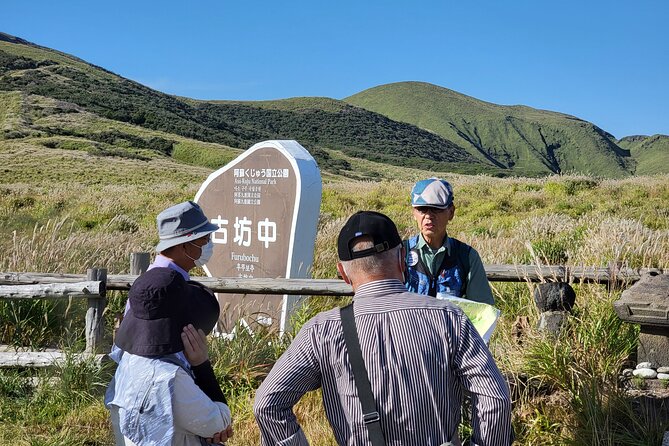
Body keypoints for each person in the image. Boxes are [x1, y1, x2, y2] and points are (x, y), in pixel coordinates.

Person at [254, 211, 512, 445]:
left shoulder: (321, 331)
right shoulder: (448, 318)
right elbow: (495, 398)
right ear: (403, 258)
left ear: (343, 274)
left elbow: (268, 405)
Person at [106, 201, 232, 445]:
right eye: (204, 239)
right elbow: (215, 420)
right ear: (186, 244)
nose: (208, 245)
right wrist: (201, 367)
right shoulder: (166, 289)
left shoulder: (147, 285)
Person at [405, 178, 494, 304]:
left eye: (436, 209)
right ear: (414, 213)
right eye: (422, 209)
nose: (428, 216)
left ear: (451, 212)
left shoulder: (467, 256)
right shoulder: (400, 253)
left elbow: (483, 309)